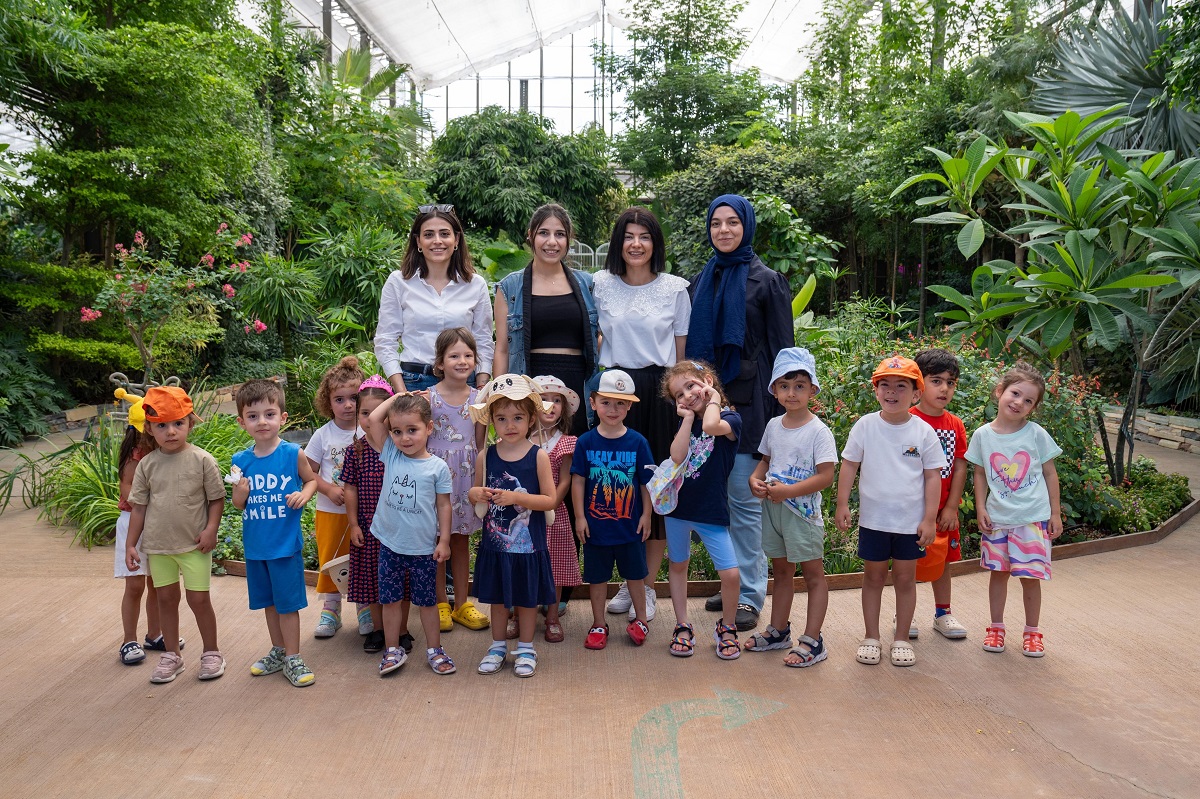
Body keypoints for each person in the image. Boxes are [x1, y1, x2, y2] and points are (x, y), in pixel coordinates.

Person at [686, 194, 792, 632]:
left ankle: (750, 595)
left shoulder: (767, 281)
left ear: (746, 226)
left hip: (751, 407)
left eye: (732, 222)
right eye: (716, 223)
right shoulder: (702, 280)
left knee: (746, 505)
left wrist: (783, 409)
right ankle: (732, 585)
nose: (724, 230)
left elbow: (784, 351)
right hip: (706, 405)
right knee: (718, 504)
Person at [594, 207, 691, 625]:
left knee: (654, 490)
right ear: (618, 243)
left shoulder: (675, 289)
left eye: (645, 236)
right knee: (614, 486)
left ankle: (646, 587)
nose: (636, 243)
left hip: (658, 393)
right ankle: (626, 580)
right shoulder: (600, 284)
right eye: (628, 236)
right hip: (614, 392)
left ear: (656, 243)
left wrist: (682, 400)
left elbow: (681, 353)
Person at [835, 356, 944, 668]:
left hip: (911, 523)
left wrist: (929, 519)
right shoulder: (866, 426)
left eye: (901, 386)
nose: (892, 392)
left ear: (916, 394)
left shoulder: (923, 432)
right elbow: (849, 466)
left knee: (906, 580)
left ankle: (901, 639)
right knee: (873, 577)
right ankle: (871, 636)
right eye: (885, 385)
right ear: (876, 390)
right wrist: (842, 504)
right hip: (874, 521)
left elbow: (932, 476)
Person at [124, 386, 226, 684]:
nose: (171, 431)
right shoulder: (147, 464)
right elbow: (139, 508)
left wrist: (211, 529)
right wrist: (132, 544)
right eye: (162, 426)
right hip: (158, 547)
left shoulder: (202, 460)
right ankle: (172, 655)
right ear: (150, 429)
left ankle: (211, 652)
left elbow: (216, 499)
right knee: (166, 599)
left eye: (178, 423)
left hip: (194, 545)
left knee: (198, 600)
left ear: (190, 423)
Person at [746, 348, 837, 667]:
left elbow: (826, 476)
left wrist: (788, 491)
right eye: (784, 385)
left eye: (800, 385)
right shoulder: (773, 426)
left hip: (803, 516)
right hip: (774, 510)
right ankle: (778, 630)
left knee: (813, 575)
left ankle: (813, 640)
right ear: (774, 390)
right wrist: (755, 480)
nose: (792, 392)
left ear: (813, 389)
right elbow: (766, 462)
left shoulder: (818, 432)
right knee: (781, 571)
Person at [966, 362, 1063, 658]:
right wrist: (980, 507)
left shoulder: (1036, 434)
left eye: (1028, 400)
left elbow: (1050, 474)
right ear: (1000, 391)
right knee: (998, 574)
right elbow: (980, 474)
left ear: (1033, 407)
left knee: (1030, 577)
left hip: (1032, 519)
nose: (1019, 402)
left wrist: (1055, 513)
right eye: (1016, 393)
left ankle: (1032, 633)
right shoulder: (983, 435)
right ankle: (996, 628)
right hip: (998, 519)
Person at [467, 375, 559, 677]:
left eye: (518, 417)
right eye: (502, 418)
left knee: (526, 599)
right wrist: (475, 494)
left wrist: (516, 497)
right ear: (491, 420)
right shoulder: (486, 455)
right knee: (496, 599)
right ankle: (496, 646)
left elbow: (549, 500)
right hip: (496, 546)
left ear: (531, 418)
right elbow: (474, 493)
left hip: (529, 546)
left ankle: (525, 648)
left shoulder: (539, 456)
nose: (510, 425)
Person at [231, 379, 320, 687]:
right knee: (268, 603)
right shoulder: (240, 461)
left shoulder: (292, 453)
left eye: (269, 414)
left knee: (288, 603)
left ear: (282, 418)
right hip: (256, 548)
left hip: (284, 546)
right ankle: (279, 650)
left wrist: (305, 494)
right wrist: (240, 494)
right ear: (242, 422)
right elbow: (238, 505)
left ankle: (294, 657)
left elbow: (311, 480)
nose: (262, 421)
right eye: (253, 416)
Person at [363, 393, 456, 676]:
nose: (404, 438)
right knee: (390, 601)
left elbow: (444, 505)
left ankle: (435, 650)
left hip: (423, 549)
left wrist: (444, 541)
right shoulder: (390, 452)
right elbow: (372, 420)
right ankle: (393, 650)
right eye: (398, 431)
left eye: (412, 430)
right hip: (390, 544)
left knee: (427, 602)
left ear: (429, 428)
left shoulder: (437, 467)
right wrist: (399, 397)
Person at [659, 360, 743, 660]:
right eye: (678, 395)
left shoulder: (731, 418)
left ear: (707, 380)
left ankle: (728, 627)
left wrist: (715, 398)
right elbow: (677, 455)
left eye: (690, 386)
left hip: (711, 510)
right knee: (678, 565)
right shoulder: (688, 421)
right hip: (679, 509)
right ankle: (682, 625)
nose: (686, 396)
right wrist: (684, 419)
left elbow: (711, 425)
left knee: (730, 574)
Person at [494, 204, 599, 435]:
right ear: (530, 236)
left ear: (568, 240)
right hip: (529, 381)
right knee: (532, 458)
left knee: (574, 462)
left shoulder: (587, 284)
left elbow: (600, 336)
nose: (552, 242)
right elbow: (501, 349)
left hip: (577, 383)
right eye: (544, 233)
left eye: (560, 234)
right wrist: (501, 399)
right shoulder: (510, 287)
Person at [570, 370, 655, 651]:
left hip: (629, 526)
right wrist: (580, 517)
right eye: (606, 402)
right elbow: (578, 479)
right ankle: (598, 622)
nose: (613, 409)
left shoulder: (638, 442)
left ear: (630, 406)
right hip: (595, 527)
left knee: (636, 576)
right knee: (597, 578)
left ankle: (641, 619)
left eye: (620, 403)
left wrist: (646, 514)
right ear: (593, 403)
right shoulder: (585, 442)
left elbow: (645, 482)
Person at [374, 204, 494, 393]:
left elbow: (483, 340)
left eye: (445, 234)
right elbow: (385, 340)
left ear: (456, 240)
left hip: (464, 385)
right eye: (428, 234)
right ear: (418, 242)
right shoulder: (399, 282)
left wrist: (481, 386)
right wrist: (402, 392)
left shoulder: (475, 284)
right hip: (414, 383)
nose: (437, 241)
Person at [426, 327, 490, 633]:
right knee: (437, 541)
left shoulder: (480, 400)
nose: (462, 361)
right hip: (435, 479)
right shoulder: (428, 398)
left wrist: (478, 485)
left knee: (462, 540)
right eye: (454, 355)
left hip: (465, 480)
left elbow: (480, 446)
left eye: (467, 355)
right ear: (440, 362)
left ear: (476, 360)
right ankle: (440, 603)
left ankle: (463, 603)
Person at [908, 348, 969, 640]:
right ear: (919, 384)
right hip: (909, 510)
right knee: (906, 563)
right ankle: (903, 614)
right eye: (936, 380)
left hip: (943, 509)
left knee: (943, 562)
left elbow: (959, 468)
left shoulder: (955, 425)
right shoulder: (905, 419)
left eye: (951, 382)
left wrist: (951, 508)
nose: (944, 388)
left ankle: (943, 613)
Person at [304, 356, 367, 639]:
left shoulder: (370, 431)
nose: (348, 405)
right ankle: (331, 611)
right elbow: (307, 472)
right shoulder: (322, 435)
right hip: (330, 511)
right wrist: (328, 489)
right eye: (339, 399)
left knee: (363, 559)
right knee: (331, 560)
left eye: (354, 398)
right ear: (327, 402)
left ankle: (365, 608)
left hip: (365, 512)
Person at [112, 389, 171, 665]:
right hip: (133, 526)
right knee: (135, 587)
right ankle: (128, 639)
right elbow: (131, 496)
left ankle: (155, 634)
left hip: (157, 525)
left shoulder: (163, 454)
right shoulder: (133, 459)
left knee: (157, 585)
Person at [339, 375, 395, 654]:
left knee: (399, 580)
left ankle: (402, 630)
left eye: (377, 412)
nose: (370, 418)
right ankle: (378, 629)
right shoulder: (356, 451)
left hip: (398, 528)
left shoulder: (399, 449)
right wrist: (353, 524)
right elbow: (350, 489)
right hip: (369, 527)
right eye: (364, 413)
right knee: (374, 579)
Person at [529, 375, 580, 643]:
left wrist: (551, 502)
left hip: (553, 513)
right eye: (544, 399)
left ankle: (552, 616)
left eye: (556, 400)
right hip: (523, 513)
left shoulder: (566, 442)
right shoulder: (520, 438)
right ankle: (517, 613)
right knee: (521, 561)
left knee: (555, 565)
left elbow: (567, 478)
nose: (550, 405)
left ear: (564, 407)